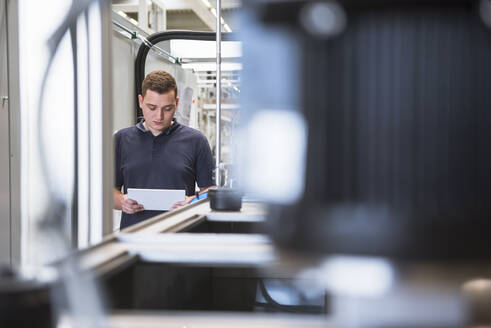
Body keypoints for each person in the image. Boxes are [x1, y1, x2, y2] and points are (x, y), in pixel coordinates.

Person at [114, 70, 214, 229]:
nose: (159, 116)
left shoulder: (196, 141)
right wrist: (121, 201)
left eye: (167, 109)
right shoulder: (121, 140)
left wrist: (193, 201)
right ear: (140, 101)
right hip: (133, 238)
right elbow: (108, 192)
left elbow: (210, 191)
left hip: (181, 236)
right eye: (151, 107)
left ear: (177, 103)